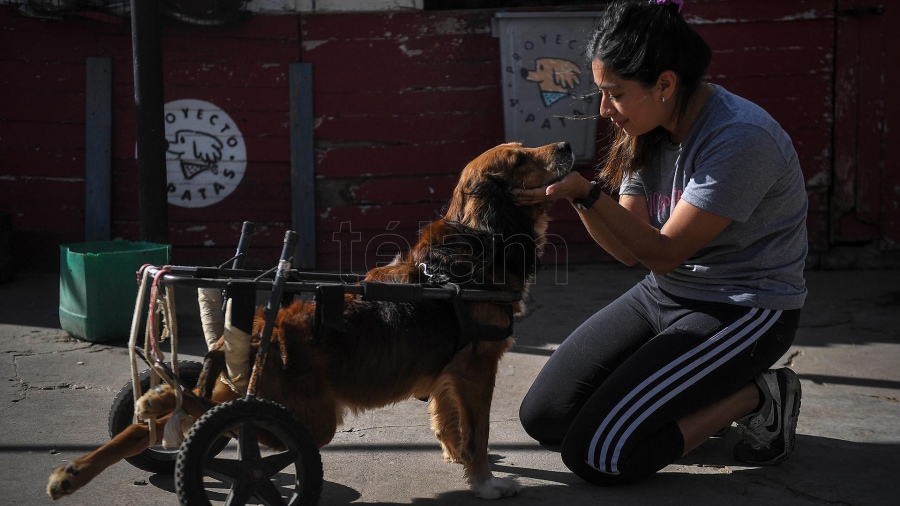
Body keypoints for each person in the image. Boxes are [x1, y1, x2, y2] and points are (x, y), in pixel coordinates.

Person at [513, 0, 808, 486]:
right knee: (546, 416)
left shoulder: (740, 137)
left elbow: (665, 251)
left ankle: (756, 395)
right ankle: (690, 394)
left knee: (598, 456)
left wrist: (587, 192)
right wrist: (579, 198)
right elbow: (630, 251)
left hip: (743, 309)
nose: (604, 109)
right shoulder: (645, 129)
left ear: (665, 84)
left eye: (615, 94)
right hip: (664, 293)